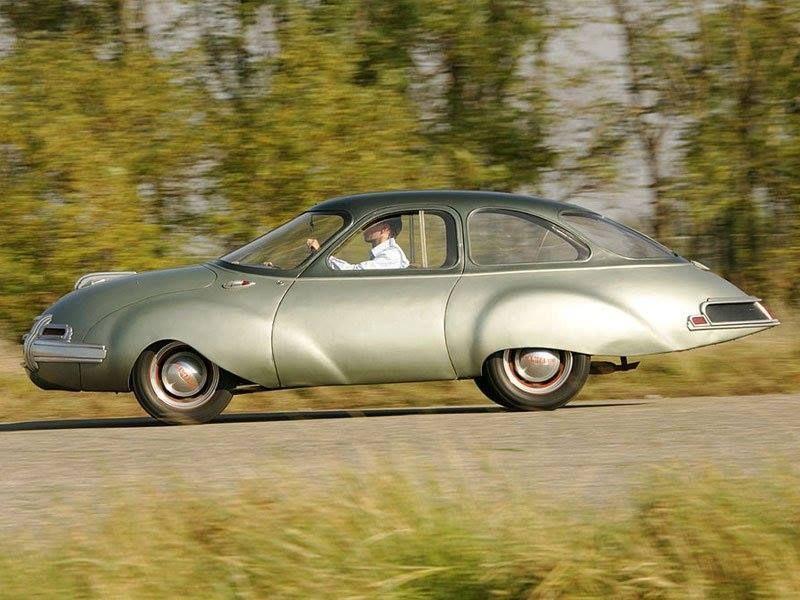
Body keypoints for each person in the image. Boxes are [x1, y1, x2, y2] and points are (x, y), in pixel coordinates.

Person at [306, 217, 409, 270]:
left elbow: (354, 273)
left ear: (384, 229)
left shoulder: (391, 256)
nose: (364, 228)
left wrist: (321, 253)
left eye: (370, 223)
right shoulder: (387, 253)